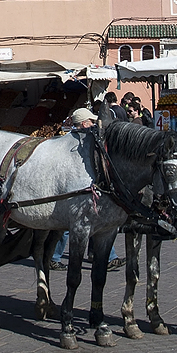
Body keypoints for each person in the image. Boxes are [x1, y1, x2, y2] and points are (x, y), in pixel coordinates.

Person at [50, 106, 122, 271]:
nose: (93, 124)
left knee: (94, 222)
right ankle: (53, 257)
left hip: (88, 189)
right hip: (71, 192)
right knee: (69, 228)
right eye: (91, 122)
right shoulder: (73, 142)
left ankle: (107, 257)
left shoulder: (87, 140)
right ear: (83, 124)